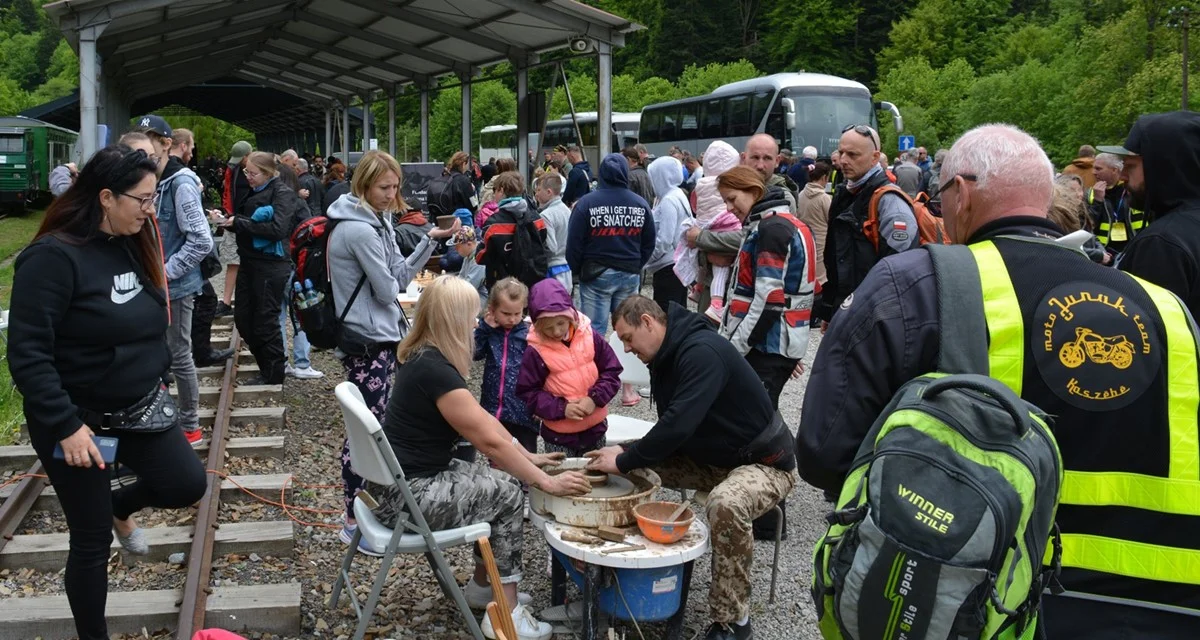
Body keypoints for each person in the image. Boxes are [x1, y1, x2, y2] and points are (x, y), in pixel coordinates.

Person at [797, 123, 1200, 639]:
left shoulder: (915, 284)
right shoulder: (1170, 310)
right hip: (1159, 605)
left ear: (961, 195)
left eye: (940, 200)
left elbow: (825, 449)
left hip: (982, 599)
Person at [8, 145, 207, 640]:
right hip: (78, 422)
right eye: (141, 199)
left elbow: (143, 323)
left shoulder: (127, 242)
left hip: (137, 408)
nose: (149, 209)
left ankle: (123, 506)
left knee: (186, 484)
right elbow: (28, 354)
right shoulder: (51, 259)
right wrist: (67, 426)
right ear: (104, 197)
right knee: (91, 539)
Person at [367, 276, 590, 640]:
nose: (475, 323)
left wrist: (529, 459)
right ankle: (506, 614)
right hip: (406, 500)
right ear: (451, 319)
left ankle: (484, 589)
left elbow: (487, 423)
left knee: (497, 483)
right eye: (470, 316)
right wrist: (547, 482)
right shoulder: (435, 370)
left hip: (397, 484)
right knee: (507, 494)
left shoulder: (422, 355)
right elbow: (491, 443)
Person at [590, 296, 797, 640]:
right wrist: (622, 457)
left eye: (627, 338)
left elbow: (678, 425)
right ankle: (611, 563)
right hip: (714, 460)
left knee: (725, 503)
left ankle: (733, 622)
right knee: (617, 462)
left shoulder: (702, 352)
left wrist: (626, 457)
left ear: (648, 322)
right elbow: (669, 434)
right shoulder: (667, 352)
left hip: (763, 464)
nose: (626, 349)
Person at [325, 150, 458, 550]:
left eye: (395, 186)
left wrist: (428, 242)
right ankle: (353, 516)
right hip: (367, 339)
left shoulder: (377, 220)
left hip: (380, 335)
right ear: (363, 184)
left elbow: (399, 274)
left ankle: (364, 508)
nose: (391, 194)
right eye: (384, 186)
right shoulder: (360, 230)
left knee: (374, 425)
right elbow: (387, 289)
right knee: (365, 432)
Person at [208, 151, 299, 385]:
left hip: (271, 266)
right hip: (249, 262)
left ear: (268, 173)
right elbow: (247, 223)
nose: (247, 177)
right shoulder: (255, 191)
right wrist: (227, 220)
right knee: (244, 319)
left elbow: (278, 229)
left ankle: (273, 373)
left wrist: (239, 223)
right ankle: (266, 367)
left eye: (252, 173)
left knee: (265, 320)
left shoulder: (282, 193)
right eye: (246, 171)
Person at [815, 124, 919, 323]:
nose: (843, 161)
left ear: (874, 157)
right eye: (841, 152)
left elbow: (900, 273)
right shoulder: (845, 193)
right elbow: (837, 260)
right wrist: (831, 310)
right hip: (846, 311)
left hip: (871, 319)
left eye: (853, 155)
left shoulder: (890, 202)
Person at [154, 124, 215, 447]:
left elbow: (201, 240)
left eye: (149, 150)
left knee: (179, 354)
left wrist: (165, 272)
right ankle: (161, 419)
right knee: (157, 355)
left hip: (174, 287)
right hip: (151, 286)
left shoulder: (180, 183)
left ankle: (190, 424)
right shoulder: (153, 181)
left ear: (166, 146)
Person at [1108, 112, 1200, 319]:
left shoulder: (1162, 244)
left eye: (1130, 167)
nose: (1122, 176)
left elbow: (1140, 332)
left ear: (1164, 168)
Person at [516, 278, 622, 457]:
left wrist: (594, 399)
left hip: (596, 428)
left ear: (571, 316)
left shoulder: (590, 336)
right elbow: (528, 392)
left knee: (597, 478)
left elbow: (611, 372)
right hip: (559, 435)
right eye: (548, 328)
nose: (556, 332)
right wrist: (561, 409)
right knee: (565, 479)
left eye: (560, 324)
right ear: (536, 325)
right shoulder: (535, 350)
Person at [565, 152, 656, 338]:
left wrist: (577, 269)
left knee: (593, 331)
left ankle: (596, 366)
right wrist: (636, 264)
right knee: (629, 329)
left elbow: (574, 243)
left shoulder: (586, 203)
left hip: (595, 274)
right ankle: (625, 364)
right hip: (629, 271)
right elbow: (649, 242)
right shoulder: (640, 204)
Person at [476, 278, 538, 453]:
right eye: (506, 313)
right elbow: (474, 354)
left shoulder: (530, 334)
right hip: (493, 407)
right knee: (497, 454)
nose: (512, 319)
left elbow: (542, 369)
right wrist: (484, 329)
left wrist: (539, 402)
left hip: (523, 411)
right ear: (492, 309)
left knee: (526, 455)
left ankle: (527, 481)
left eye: (517, 313)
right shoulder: (488, 331)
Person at [477, 171, 549, 289]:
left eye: (494, 190)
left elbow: (481, 256)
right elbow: (543, 245)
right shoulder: (536, 219)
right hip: (532, 283)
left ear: (501, 190)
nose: (494, 194)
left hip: (502, 286)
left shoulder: (493, 224)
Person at [646, 155, 690, 313]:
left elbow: (665, 239)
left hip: (667, 267)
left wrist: (647, 258)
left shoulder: (669, 200)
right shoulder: (677, 194)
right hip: (676, 265)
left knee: (667, 315)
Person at [533, 171, 572, 291]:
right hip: (566, 269)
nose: (536, 194)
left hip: (552, 271)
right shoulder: (567, 210)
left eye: (539, 190)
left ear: (549, 192)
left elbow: (551, 248)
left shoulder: (546, 215)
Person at [798, 161, 832, 286]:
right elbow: (831, 220)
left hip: (806, 240)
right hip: (822, 242)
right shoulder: (824, 198)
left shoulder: (801, 195)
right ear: (824, 177)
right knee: (821, 276)